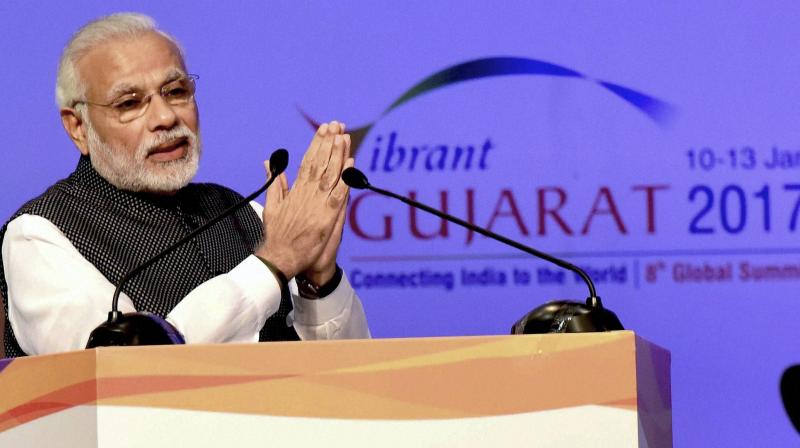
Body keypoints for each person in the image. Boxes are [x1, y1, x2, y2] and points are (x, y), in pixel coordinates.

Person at [0, 13, 370, 358]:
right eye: (130, 103)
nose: (165, 117)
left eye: (176, 91)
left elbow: (349, 379)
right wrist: (274, 264)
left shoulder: (245, 213)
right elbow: (116, 372)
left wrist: (317, 282)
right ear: (78, 127)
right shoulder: (40, 234)